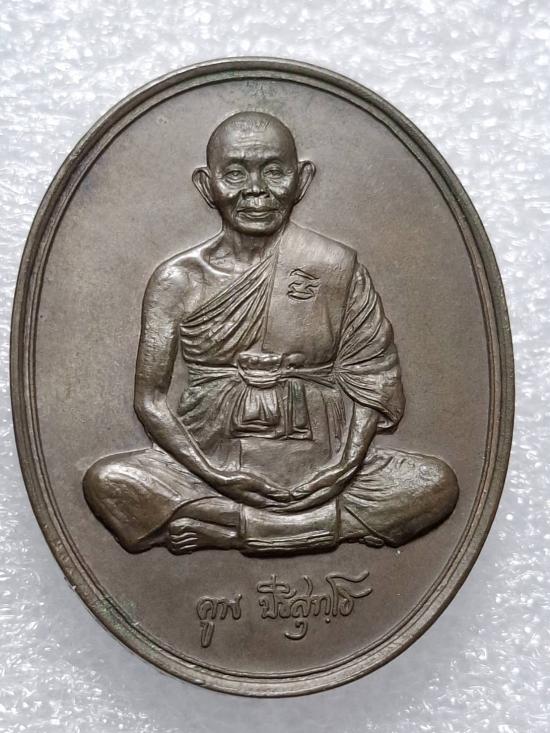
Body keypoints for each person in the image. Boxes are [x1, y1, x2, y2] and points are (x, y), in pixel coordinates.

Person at [83, 111, 458, 555]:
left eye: (274, 171)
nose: (256, 190)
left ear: (302, 180)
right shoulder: (178, 280)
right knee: (108, 482)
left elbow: (372, 376)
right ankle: (311, 526)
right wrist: (217, 475)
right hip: (208, 461)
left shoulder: (334, 267)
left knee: (435, 484)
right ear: (206, 185)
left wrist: (344, 467)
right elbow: (149, 399)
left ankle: (230, 528)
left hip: (324, 458)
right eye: (235, 174)